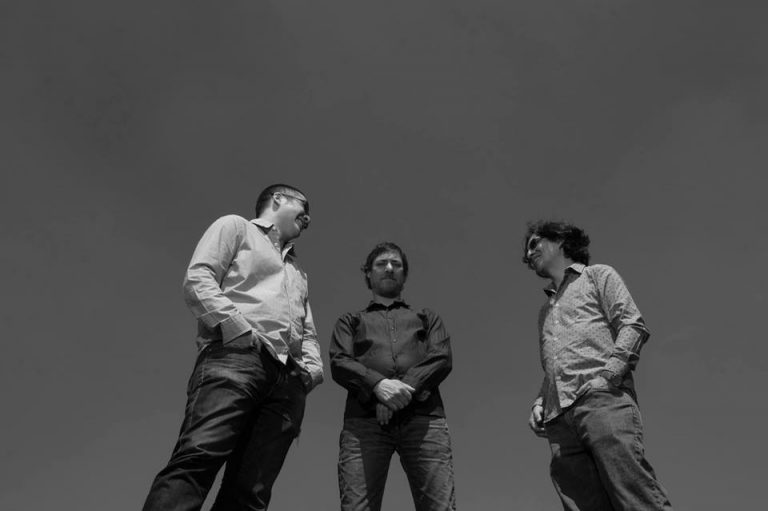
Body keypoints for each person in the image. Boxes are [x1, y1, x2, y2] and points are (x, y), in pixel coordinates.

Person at [142, 184, 323, 511]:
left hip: (287, 382)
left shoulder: (298, 271)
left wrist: (310, 371)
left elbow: (306, 328)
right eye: (303, 207)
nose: (308, 218)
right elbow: (199, 279)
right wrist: (237, 328)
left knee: (251, 494)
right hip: (236, 358)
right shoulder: (236, 227)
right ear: (278, 199)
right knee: (198, 459)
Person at [522, 220, 673, 511]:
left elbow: (632, 325)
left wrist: (607, 377)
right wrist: (540, 401)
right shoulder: (545, 312)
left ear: (560, 239)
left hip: (602, 400)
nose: (529, 255)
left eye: (534, 244)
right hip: (559, 422)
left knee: (633, 495)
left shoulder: (597, 276)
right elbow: (554, 366)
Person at [330, 242, 457, 511]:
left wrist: (399, 392)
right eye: (381, 264)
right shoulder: (350, 321)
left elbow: (441, 357)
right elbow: (340, 361)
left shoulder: (427, 317)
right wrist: (378, 385)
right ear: (368, 273)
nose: (389, 268)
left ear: (404, 275)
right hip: (364, 424)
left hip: (425, 421)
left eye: (396, 264)